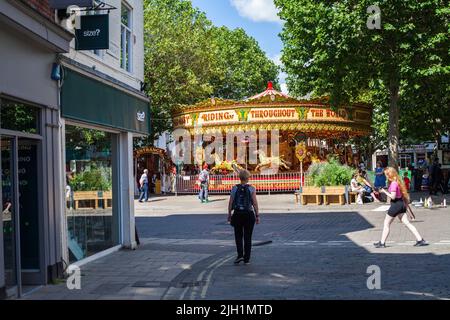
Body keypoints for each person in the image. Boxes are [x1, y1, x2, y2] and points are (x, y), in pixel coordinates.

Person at [374, 167, 427, 248]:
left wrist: (384, 191)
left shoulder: (393, 184)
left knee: (386, 223)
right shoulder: (398, 182)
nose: (385, 177)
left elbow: (393, 197)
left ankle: (382, 243)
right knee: (407, 223)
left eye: (386, 175)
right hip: (401, 204)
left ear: (389, 175)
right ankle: (420, 239)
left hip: (396, 205)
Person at [228, 169, 259, 264]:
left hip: (237, 214)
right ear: (248, 178)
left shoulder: (234, 188)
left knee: (238, 236)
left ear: (240, 178)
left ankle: (240, 255)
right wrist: (257, 215)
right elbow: (255, 203)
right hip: (249, 215)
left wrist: (229, 214)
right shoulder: (251, 188)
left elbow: (230, 202)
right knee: (248, 237)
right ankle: (247, 258)